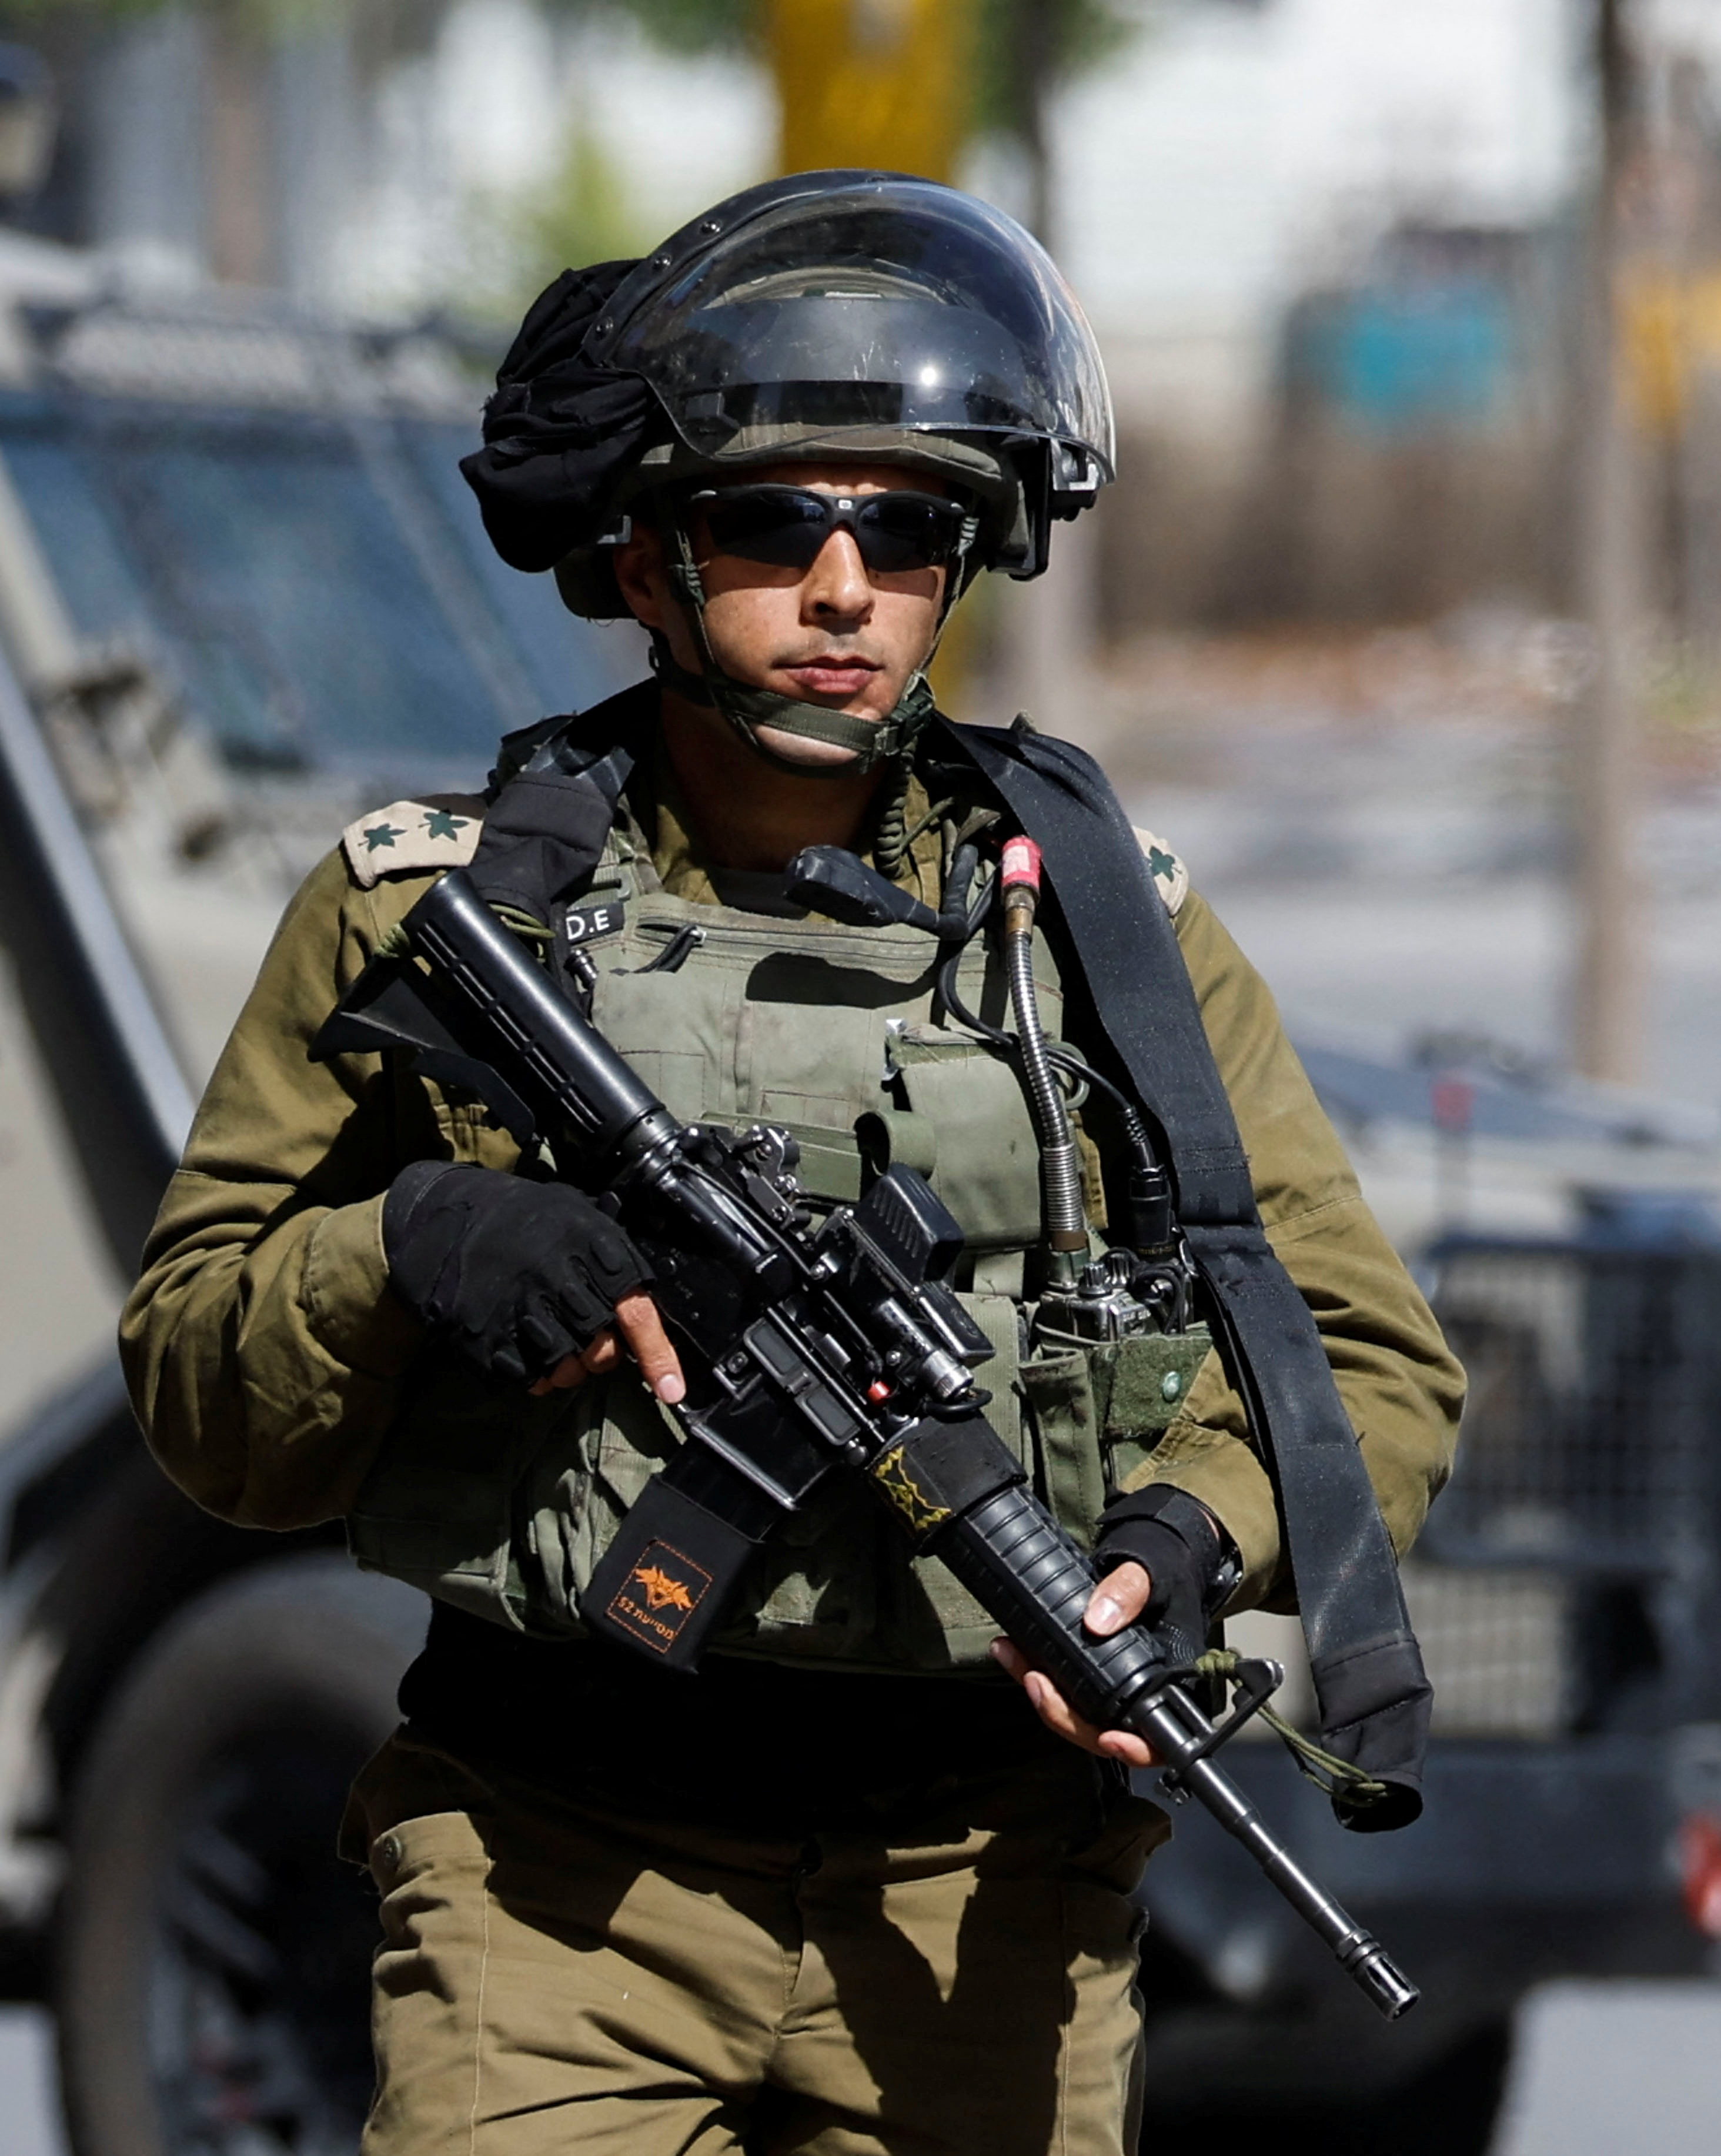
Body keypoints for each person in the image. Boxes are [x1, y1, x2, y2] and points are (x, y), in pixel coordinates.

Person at [118, 171, 1461, 2156]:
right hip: (550, 1887)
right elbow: (196, 1396)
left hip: (982, 1902)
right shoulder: (427, 910)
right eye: (774, 524)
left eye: (904, 531)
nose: (843, 588)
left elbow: (1358, 1355)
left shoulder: (1103, 926)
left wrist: (1185, 1536)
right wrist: (409, 1244)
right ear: (645, 556)